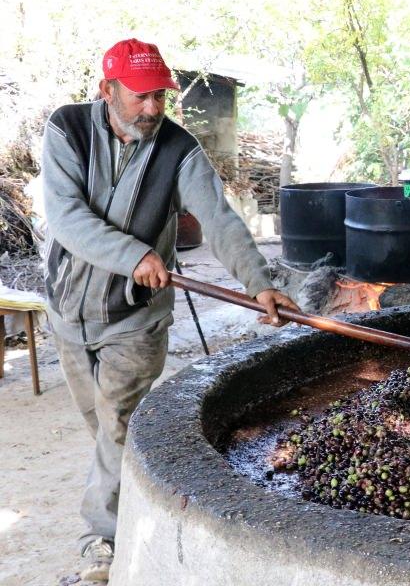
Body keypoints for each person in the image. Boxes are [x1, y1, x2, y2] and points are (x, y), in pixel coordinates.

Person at [41, 38, 300, 583]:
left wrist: (260, 284)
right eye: (141, 97)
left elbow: (221, 221)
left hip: (135, 319)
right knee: (101, 426)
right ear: (107, 90)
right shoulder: (67, 129)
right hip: (68, 311)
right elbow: (65, 216)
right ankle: (134, 504)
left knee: (117, 425)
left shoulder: (178, 150)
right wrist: (134, 253)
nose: (154, 108)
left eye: (160, 95)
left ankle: (101, 546)